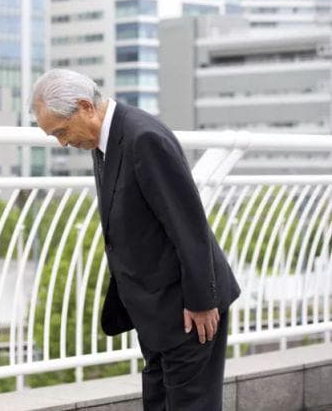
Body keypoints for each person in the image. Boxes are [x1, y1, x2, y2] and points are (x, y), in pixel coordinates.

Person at [30, 69, 240, 410]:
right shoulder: (106, 142)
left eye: (61, 131)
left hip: (188, 308)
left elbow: (188, 222)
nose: (62, 142)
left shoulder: (143, 137)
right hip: (155, 310)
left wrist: (203, 301)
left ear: (85, 106)